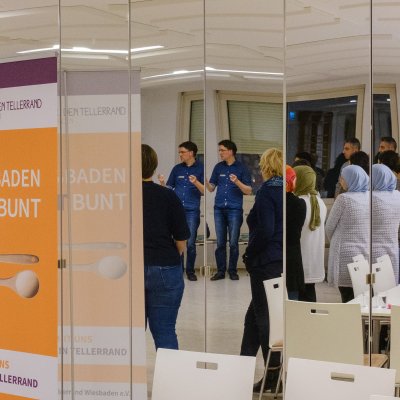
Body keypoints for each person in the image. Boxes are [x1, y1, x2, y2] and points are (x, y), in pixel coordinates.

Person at [240, 148, 283, 393]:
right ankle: (242, 368)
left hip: (264, 261)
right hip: (277, 259)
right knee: (253, 318)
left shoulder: (267, 192)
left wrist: (249, 252)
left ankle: (273, 376)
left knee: (263, 318)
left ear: (266, 166)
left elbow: (265, 229)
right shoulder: (284, 191)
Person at [142, 144, 190, 350]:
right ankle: (170, 372)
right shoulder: (168, 196)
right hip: (165, 267)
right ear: (154, 166)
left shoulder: (121, 197)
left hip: (129, 269)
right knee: (165, 331)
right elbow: (181, 239)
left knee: (129, 334)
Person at [206, 139, 252, 280]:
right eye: (219, 150)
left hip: (234, 210)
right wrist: (205, 181)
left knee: (233, 243)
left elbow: (248, 191)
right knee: (220, 242)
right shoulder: (218, 167)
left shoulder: (242, 168)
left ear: (231, 151)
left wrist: (237, 181)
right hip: (219, 209)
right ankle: (221, 271)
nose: (220, 153)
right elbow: (211, 188)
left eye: (222, 150)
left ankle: (232, 271)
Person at [159, 141, 204, 281]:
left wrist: (196, 182)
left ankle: (190, 271)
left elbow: (205, 191)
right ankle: (179, 270)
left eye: (182, 152)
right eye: (179, 152)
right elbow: (169, 189)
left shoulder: (201, 169)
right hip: (177, 210)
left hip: (192, 211)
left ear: (191, 153)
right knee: (178, 240)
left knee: (190, 243)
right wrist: (162, 183)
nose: (180, 154)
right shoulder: (177, 169)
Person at [326, 165, 370, 303]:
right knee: (359, 296)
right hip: (364, 253)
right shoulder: (369, 198)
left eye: (343, 177)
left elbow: (329, 227)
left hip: (344, 255)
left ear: (352, 179)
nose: (340, 180)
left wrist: (335, 240)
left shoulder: (343, 199)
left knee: (347, 297)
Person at [294, 165, 327, 302]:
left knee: (298, 300)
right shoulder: (320, 202)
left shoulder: (298, 203)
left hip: (299, 260)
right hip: (314, 260)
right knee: (309, 296)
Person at [371, 164, 400, 282]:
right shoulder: (397, 195)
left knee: (370, 288)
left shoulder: (371, 197)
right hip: (393, 248)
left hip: (373, 251)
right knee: (388, 287)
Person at [286, 165, 306, 300]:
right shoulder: (299, 203)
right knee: (292, 295)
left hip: (273, 254)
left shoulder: (269, 199)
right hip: (292, 253)